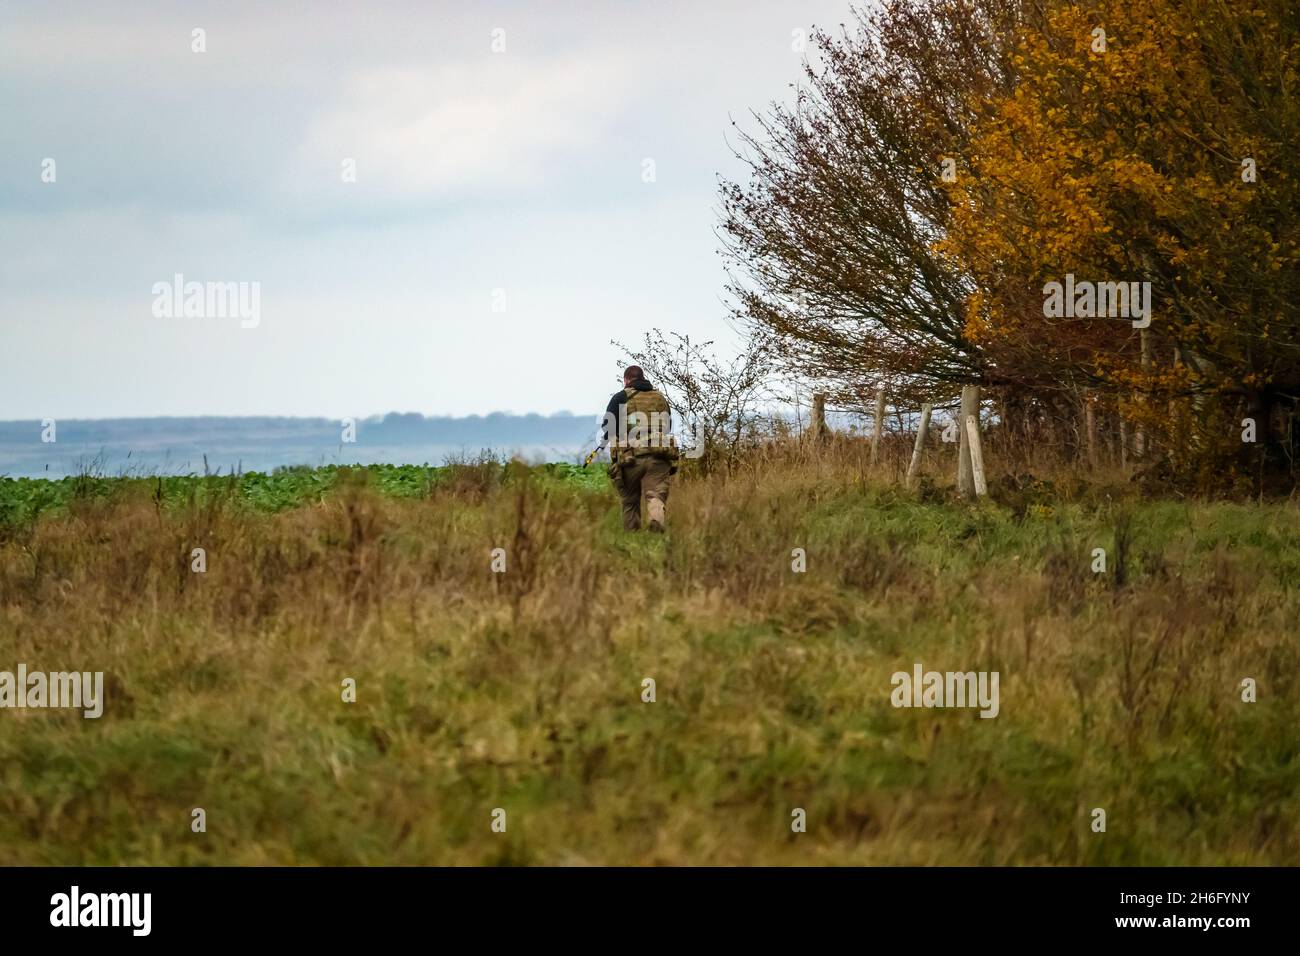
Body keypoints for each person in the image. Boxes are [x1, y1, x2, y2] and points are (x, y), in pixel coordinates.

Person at [600, 365, 677, 532]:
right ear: (643, 378)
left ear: (627, 380)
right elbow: (668, 426)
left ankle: (632, 536)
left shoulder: (620, 397)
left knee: (630, 500)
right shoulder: (660, 398)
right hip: (659, 455)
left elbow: (607, 427)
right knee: (656, 495)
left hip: (631, 457)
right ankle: (656, 519)